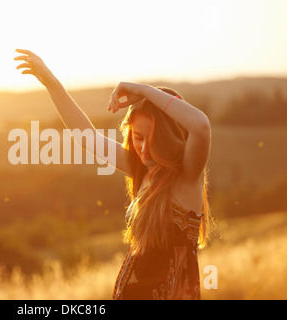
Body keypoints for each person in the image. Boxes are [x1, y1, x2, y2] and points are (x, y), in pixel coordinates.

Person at [14, 49, 211, 300]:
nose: (142, 148)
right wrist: (51, 83)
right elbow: (87, 137)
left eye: (152, 139)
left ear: (170, 138)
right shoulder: (141, 169)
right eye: (137, 137)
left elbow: (201, 125)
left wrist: (144, 91)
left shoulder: (187, 175)